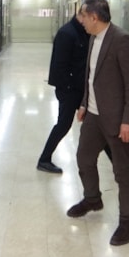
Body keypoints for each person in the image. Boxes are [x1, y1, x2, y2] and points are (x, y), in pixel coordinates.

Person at [66, 0, 129, 246]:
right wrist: (84, 103)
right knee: (84, 158)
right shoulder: (93, 38)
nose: (80, 20)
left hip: (117, 118)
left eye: (83, 15)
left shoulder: (122, 40)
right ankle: (93, 199)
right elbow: (91, 77)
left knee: (122, 172)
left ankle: (127, 224)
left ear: (94, 17)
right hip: (93, 115)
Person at [37, 11, 90, 174]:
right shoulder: (66, 33)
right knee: (63, 124)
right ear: (82, 15)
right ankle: (44, 160)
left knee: (94, 124)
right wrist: (68, 88)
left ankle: (113, 160)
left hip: (80, 88)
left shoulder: (84, 32)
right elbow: (59, 65)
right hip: (69, 90)